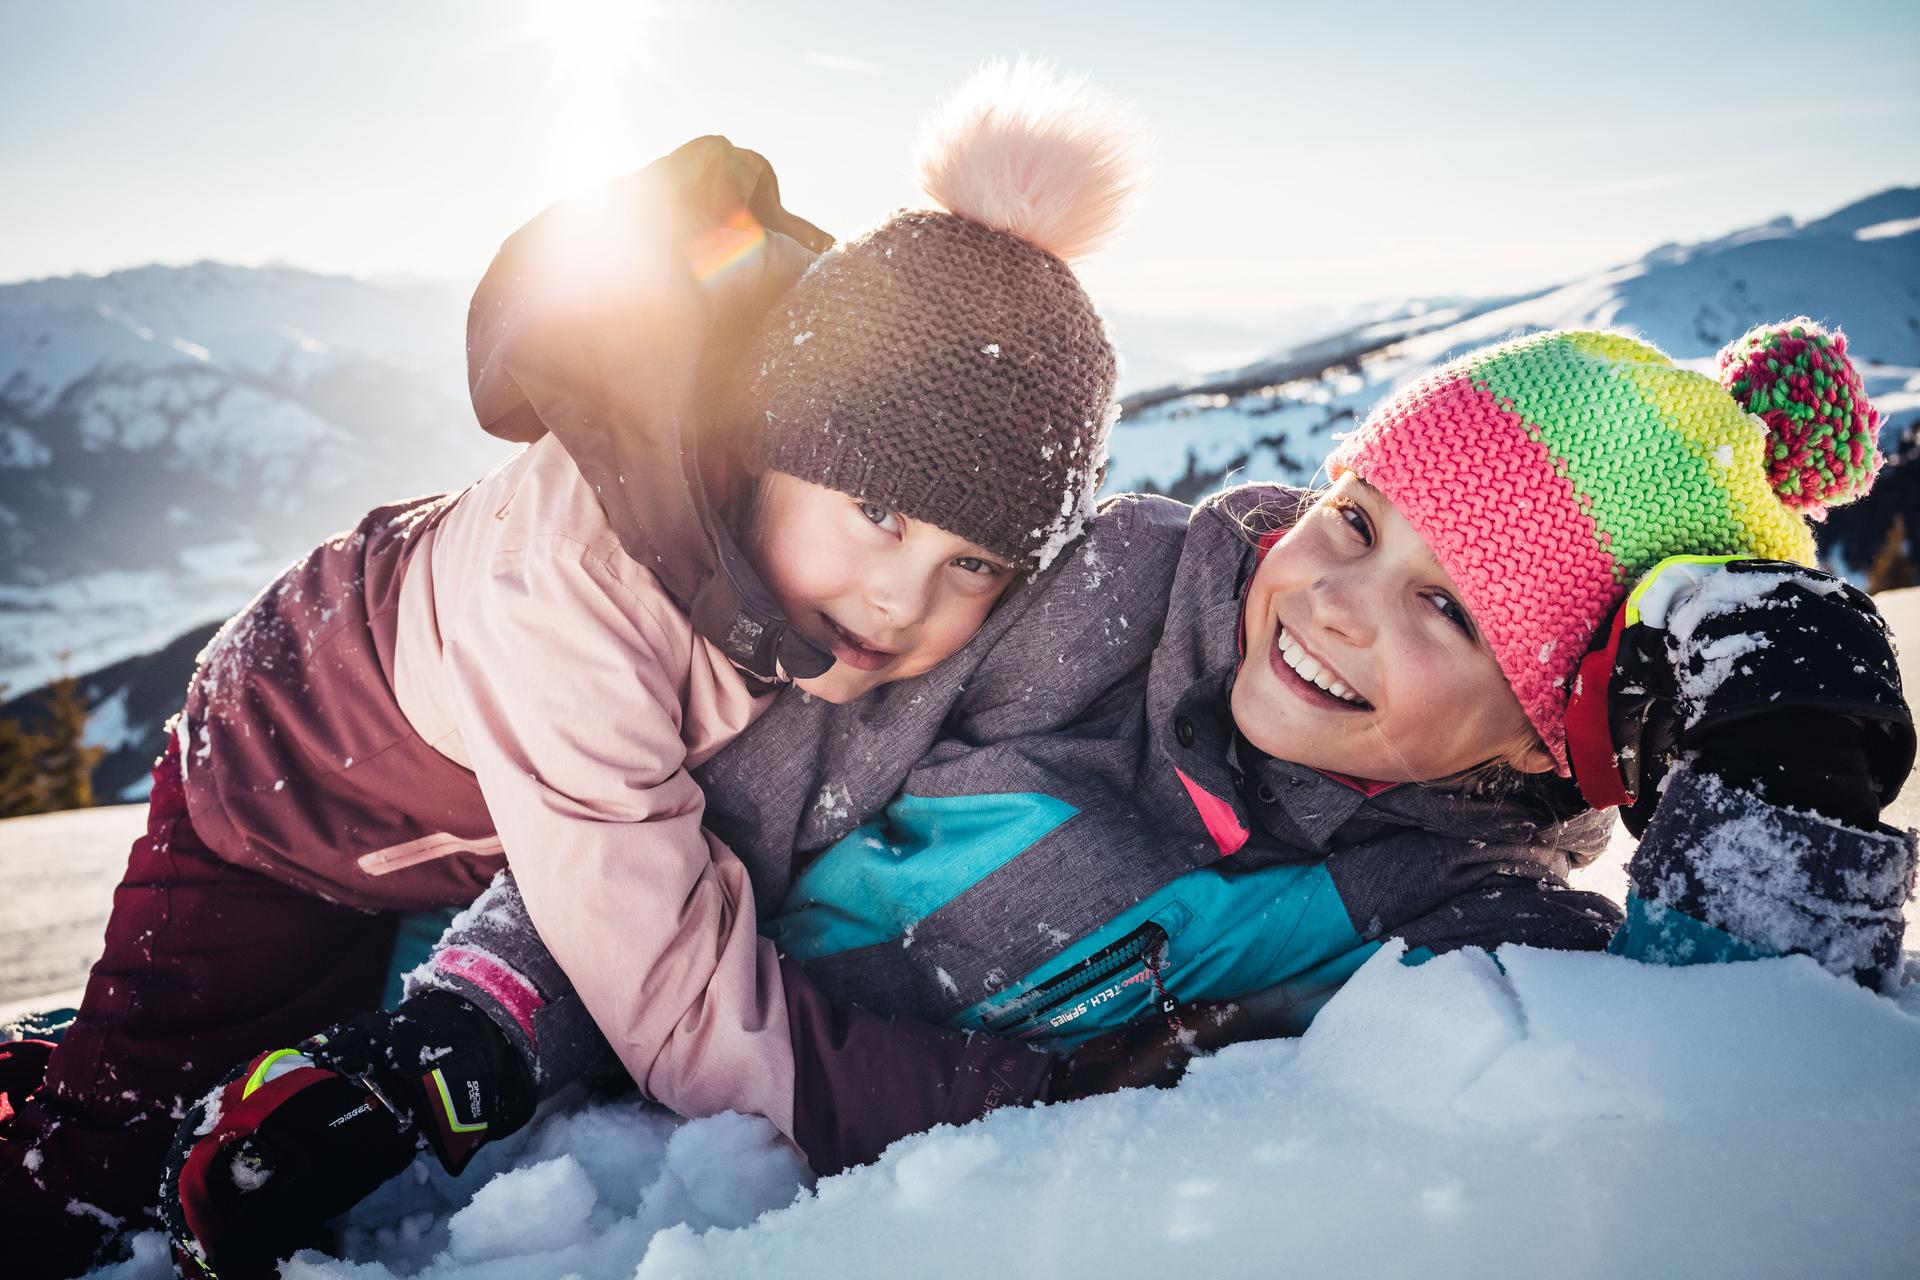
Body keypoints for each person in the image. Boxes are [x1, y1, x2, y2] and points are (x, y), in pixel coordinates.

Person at [162, 317, 1916, 1278]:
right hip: (539, 952)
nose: (1333, 601)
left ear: (1553, 740)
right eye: (1356, 520)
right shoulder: (1097, 602)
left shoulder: (1464, 911)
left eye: (1453, 612)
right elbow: (692, 814)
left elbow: (1697, 1118)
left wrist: (1782, 791)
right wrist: (464, 1034)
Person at [2, 61, 1148, 1278]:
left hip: (468, 807)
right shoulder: (573, 603)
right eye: (878, 510)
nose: (903, 599)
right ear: (778, 441)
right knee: (113, 1183)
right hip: (283, 789)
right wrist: (1005, 1097)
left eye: (973, 562)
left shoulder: (786, 572)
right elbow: (682, 1008)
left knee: (284, 1060)